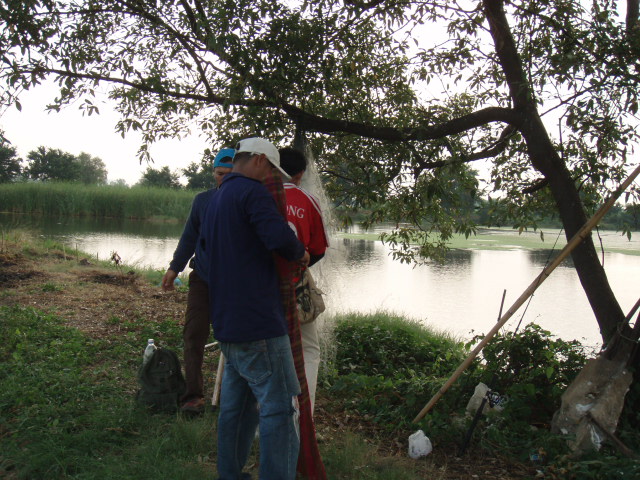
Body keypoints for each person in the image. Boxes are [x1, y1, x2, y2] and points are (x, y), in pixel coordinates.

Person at [202, 137, 309, 480]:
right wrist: (300, 253)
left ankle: (229, 474)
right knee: (280, 407)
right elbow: (279, 237)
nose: (271, 180)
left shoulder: (218, 198)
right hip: (259, 322)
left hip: (228, 321)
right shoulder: (252, 193)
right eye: (271, 171)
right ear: (260, 161)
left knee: (238, 407)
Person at [160, 148, 234, 415]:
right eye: (219, 174)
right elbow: (189, 237)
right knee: (193, 334)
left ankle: (233, 398)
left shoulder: (246, 200)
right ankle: (194, 397)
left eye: (230, 174)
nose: (224, 179)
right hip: (202, 278)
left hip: (235, 283)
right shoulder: (202, 201)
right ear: (214, 173)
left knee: (235, 338)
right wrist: (174, 268)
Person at [279, 147, 329, 414]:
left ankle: (261, 419)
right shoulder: (308, 201)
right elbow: (319, 250)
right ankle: (303, 415)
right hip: (296, 286)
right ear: (299, 174)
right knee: (309, 349)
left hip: (259, 285)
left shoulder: (258, 196)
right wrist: (301, 264)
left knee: (265, 351)